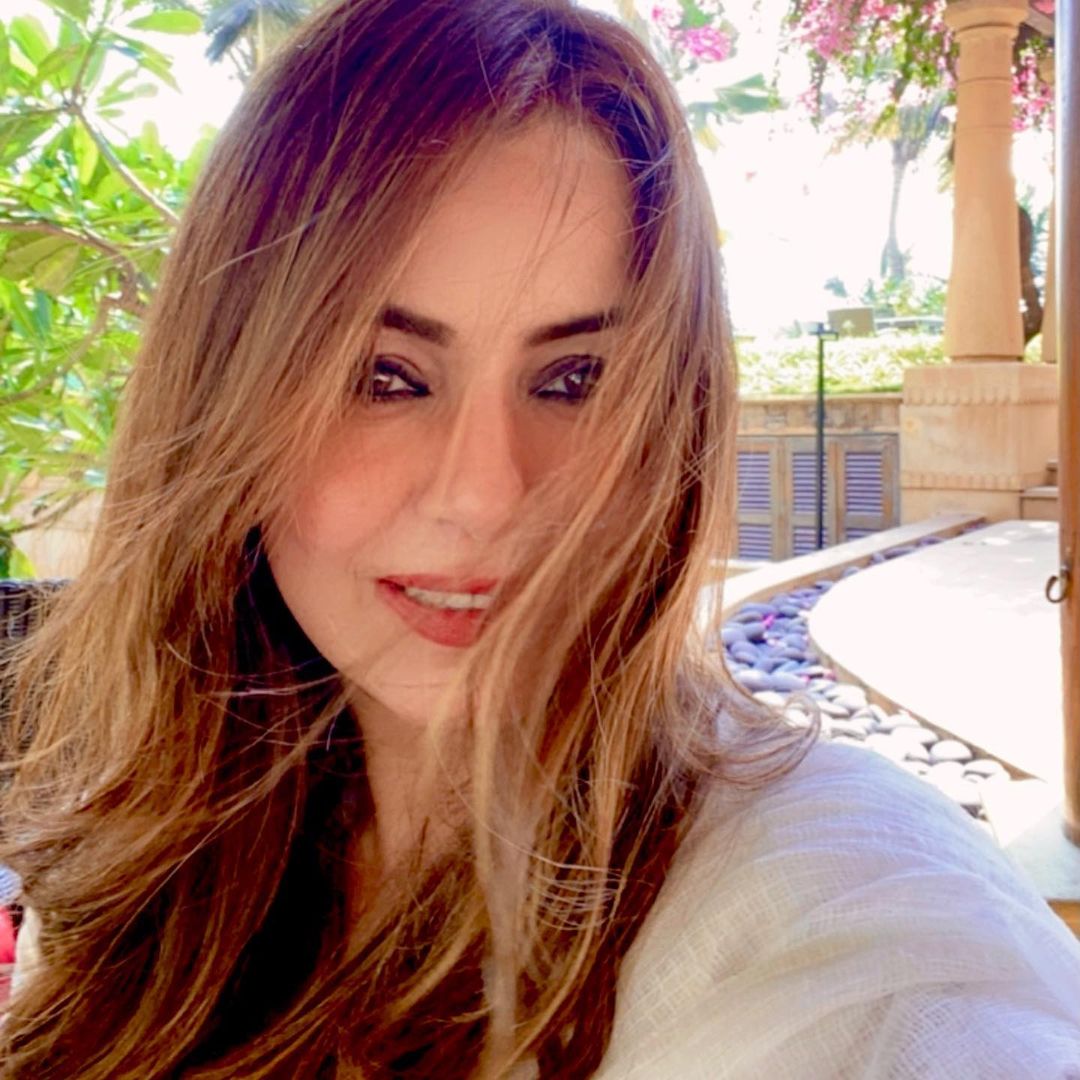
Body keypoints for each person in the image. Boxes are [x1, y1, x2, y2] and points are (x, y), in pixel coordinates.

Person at [1, 0, 1078, 1076]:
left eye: (574, 380)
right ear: (225, 396)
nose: (485, 494)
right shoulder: (138, 870)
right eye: (383, 376)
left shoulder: (838, 919)